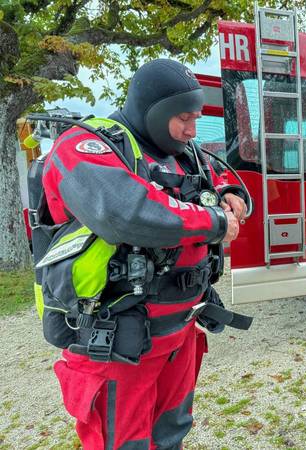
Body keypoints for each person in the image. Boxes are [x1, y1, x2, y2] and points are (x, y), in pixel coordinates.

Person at [40, 59, 249, 448]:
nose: (192, 129)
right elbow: (126, 212)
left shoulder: (185, 153)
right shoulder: (85, 147)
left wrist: (229, 196)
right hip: (116, 340)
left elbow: (213, 182)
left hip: (179, 330)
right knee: (124, 442)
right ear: (153, 110)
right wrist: (215, 222)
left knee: (171, 433)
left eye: (196, 118)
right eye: (183, 118)